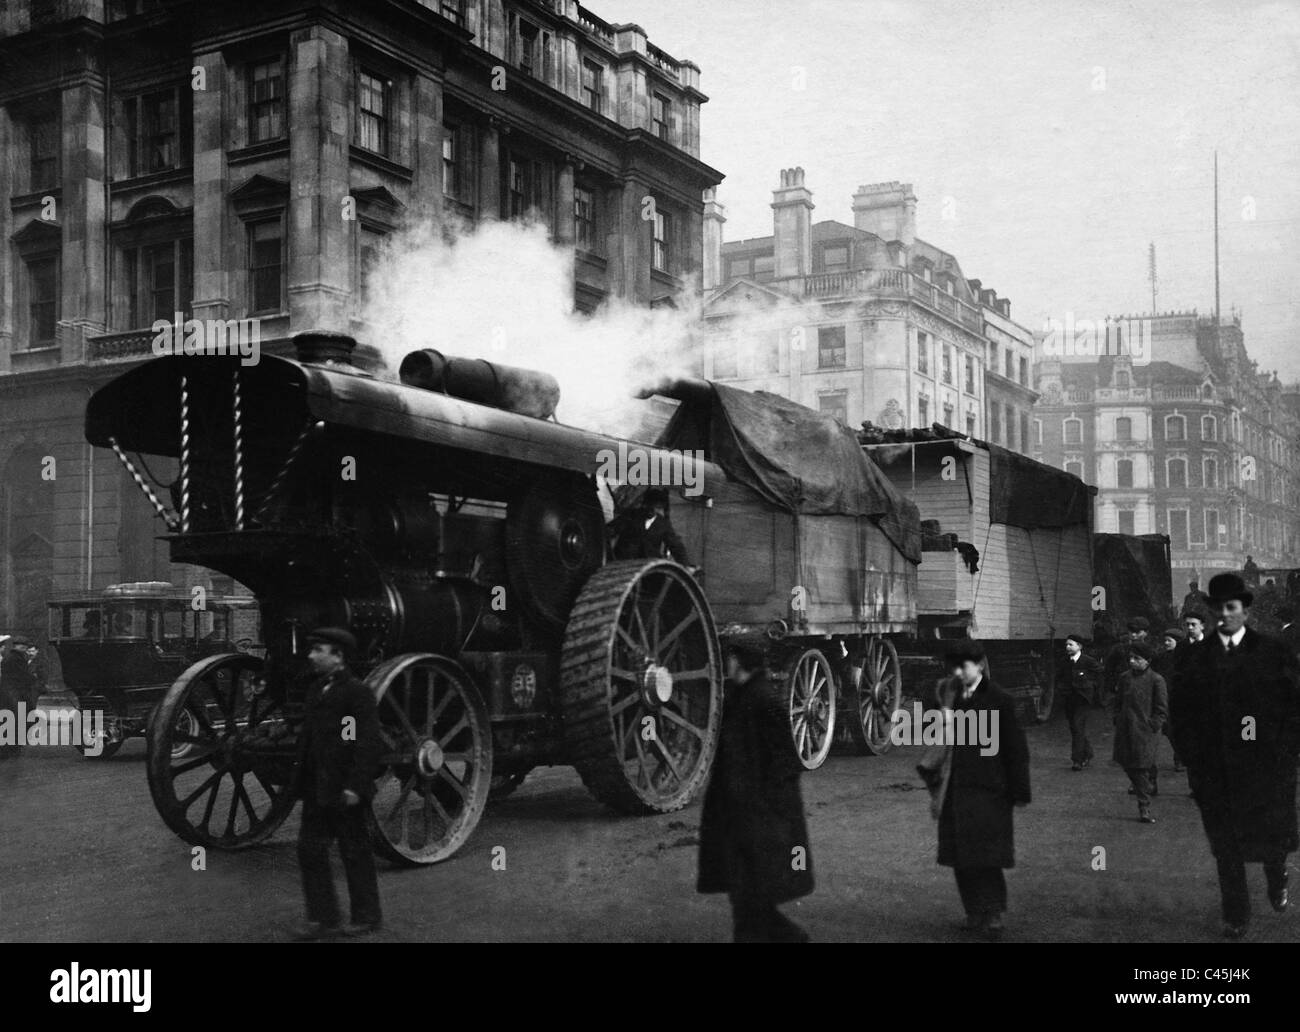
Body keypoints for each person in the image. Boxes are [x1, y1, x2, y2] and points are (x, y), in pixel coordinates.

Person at [1171, 573, 1299, 939]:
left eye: (1233, 607)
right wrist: (1194, 762)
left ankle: (1277, 877)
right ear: (1212, 612)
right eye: (1220, 608)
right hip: (1217, 773)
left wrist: (1287, 753)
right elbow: (1182, 715)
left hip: (1267, 771)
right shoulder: (1195, 659)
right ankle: (1236, 914)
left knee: (1271, 841)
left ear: (1244, 610)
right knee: (1226, 849)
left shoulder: (1274, 653)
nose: (1226, 614)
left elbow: (1294, 709)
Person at [697, 635, 812, 943]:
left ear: (741, 662)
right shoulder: (740, 696)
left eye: (731, 658)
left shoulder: (764, 700)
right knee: (744, 896)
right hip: (736, 814)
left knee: (752, 898)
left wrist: (764, 810)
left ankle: (792, 938)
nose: (727, 663)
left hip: (756, 819)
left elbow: (786, 764)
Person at [926, 640, 1030, 941]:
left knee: (987, 856)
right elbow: (933, 734)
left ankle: (993, 913)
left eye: (964, 667)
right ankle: (973, 912)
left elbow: (1016, 750)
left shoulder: (1001, 700)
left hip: (989, 790)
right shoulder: (950, 697)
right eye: (954, 668)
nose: (958, 672)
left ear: (980, 665)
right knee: (960, 855)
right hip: (956, 788)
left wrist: (1019, 791)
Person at [293, 627, 384, 940]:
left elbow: (365, 743)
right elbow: (309, 740)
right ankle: (323, 917)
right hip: (318, 789)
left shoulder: (356, 693)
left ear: (338, 656)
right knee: (309, 850)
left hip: (344, 789)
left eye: (319, 650)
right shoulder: (318, 689)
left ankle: (367, 916)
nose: (311, 655)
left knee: (354, 852)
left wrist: (355, 786)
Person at [1112, 641, 1167, 824]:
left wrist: (1153, 725)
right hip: (1125, 730)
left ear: (1148, 661)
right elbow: (1117, 701)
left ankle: (1144, 807)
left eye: (1137, 658)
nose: (1133, 661)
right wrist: (1117, 718)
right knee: (1128, 765)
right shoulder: (1124, 678)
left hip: (1145, 733)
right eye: (1131, 658)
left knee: (1139, 767)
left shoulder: (1156, 680)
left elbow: (1161, 709)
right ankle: (1149, 781)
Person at [609, 487, 696, 568]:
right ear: (644, 504)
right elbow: (610, 531)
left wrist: (685, 565)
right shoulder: (631, 515)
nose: (652, 511)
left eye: (657, 507)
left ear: (661, 507)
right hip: (624, 565)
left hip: (649, 567)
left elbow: (675, 545)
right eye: (650, 507)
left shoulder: (663, 524)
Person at [1060, 634, 1101, 771]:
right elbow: (1060, 677)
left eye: (1071, 644)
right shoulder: (1064, 661)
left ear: (1079, 646)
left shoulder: (1087, 661)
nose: (1067, 647)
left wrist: (1091, 685)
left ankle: (1077, 760)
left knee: (1078, 727)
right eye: (1066, 644)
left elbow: (1101, 673)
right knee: (1074, 728)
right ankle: (1088, 752)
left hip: (1083, 700)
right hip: (1069, 700)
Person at [1153, 628, 1185, 772]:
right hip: (1163, 698)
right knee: (1167, 729)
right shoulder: (1160, 658)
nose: (1166, 643)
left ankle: (1179, 759)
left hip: (1179, 699)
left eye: (1169, 641)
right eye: (1165, 640)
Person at [1103, 617, 1149, 699]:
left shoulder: (1150, 649)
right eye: (1131, 631)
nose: (1133, 635)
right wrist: (1113, 686)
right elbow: (1108, 669)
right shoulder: (1119, 648)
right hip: (1120, 691)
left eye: (1138, 632)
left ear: (1146, 633)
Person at [1, 635, 39, 710]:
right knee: (20, 716)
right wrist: (34, 678)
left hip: (7, 691)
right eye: (25, 647)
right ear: (21, 647)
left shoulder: (7, 657)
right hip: (18, 693)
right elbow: (24, 675)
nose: (26, 649)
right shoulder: (18, 658)